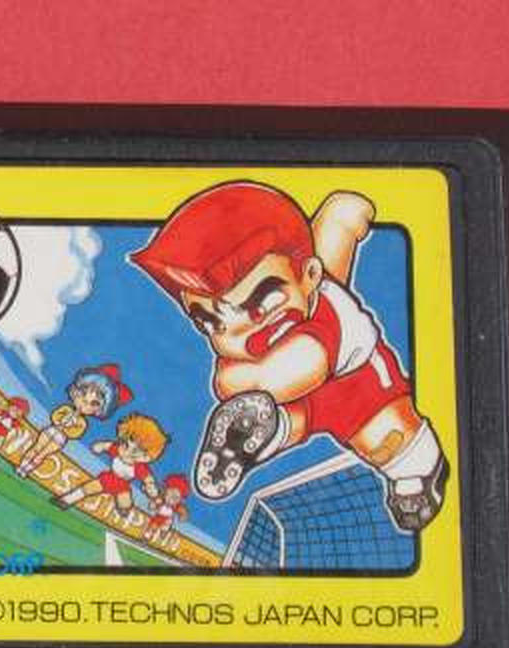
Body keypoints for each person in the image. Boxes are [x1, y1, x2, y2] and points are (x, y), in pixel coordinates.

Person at [129, 180, 446, 532]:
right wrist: (240, 388)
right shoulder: (252, 339)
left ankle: (417, 470)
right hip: (299, 405)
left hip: (361, 391)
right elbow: (228, 380)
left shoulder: (324, 320)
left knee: (385, 443)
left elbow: (308, 363)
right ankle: (264, 436)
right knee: (289, 419)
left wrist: (348, 211)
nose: (240, 330)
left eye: (261, 304)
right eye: (212, 323)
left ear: (309, 277)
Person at [15, 364, 132, 478]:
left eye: (94, 404)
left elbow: (75, 433)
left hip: (60, 439)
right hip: (50, 431)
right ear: (75, 391)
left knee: (42, 455)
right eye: (83, 394)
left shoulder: (82, 423)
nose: (84, 403)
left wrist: (67, 428)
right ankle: (21, 466)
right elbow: (55, 416)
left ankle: (26, 470)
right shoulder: (66, 409)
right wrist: (59, 421)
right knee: (36, 448)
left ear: (99, 411)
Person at [52, 413, 168, 517]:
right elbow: (105, 446)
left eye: (135, 452)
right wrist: (99, 447)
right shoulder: (116, 449)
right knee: (88, 488)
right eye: (125, 445)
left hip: (122, 487)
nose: (127, 452)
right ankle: (66, 500)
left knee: (125, 504)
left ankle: (124, 512)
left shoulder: (139, 468)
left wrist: (150, 486)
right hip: (108, 478)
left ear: (146, 457)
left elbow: (148, 478)